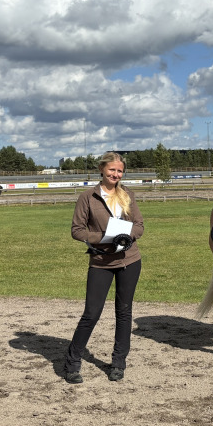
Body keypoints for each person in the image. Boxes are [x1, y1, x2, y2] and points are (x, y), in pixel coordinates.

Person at [63, 152, 144, 384]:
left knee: (124, 312)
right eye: (112, 170)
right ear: (101, 169)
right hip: (101, 262)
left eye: (119, 171)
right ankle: (72, 362)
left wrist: (127, 234)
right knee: (91, 313)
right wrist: (104, 237)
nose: (116, 175)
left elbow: (139, 226)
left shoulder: (128, 195)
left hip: (129, 260)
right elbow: (77, 230)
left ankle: (118, 363)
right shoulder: (87, 197)